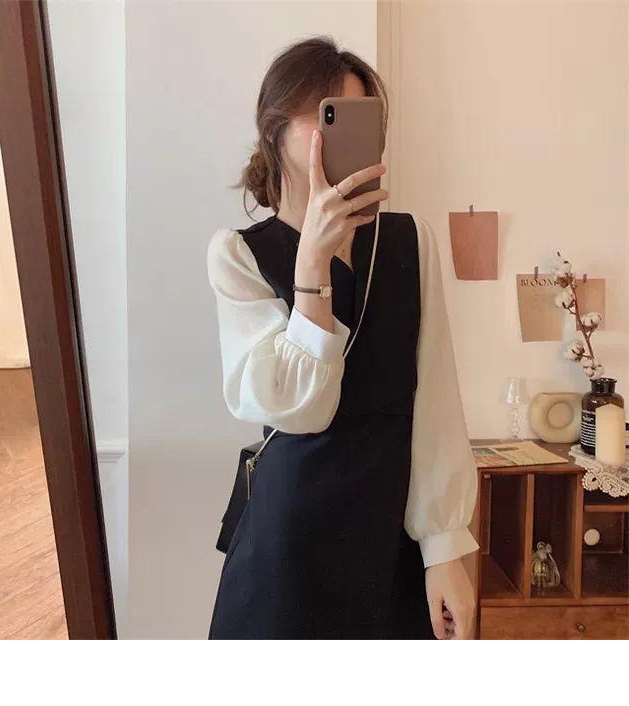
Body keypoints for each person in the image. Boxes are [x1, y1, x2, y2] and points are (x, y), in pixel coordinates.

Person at [206, 36, 479, 639]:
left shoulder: (410, 241)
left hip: (388, 542)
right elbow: (297, 409)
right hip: (287, 543)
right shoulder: (240, 256)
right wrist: (311, 265)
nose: (340, 132)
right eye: (325, 113)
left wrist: (445, 547)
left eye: (358, 116)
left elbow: (435, 403)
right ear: (275, 129)